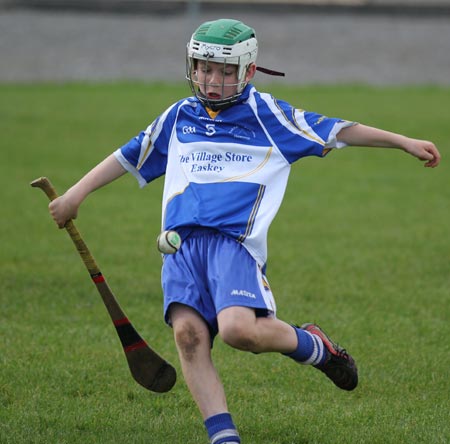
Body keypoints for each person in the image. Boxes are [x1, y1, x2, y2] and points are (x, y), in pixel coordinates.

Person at [49, 18, 441, 444]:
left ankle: (315, 347)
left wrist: (403, 141)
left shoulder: (268, 115)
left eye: (224, 71)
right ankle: (224, 437)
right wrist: (75, 195)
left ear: (248, 71)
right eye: (202, 68)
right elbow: (126, 156)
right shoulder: (178, 116)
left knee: (240, 332)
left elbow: (339, 130)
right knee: (188, 335)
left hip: (233, 247)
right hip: (178, 249)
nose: (211, 80)